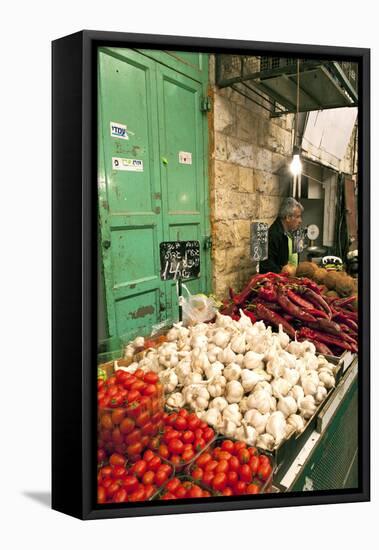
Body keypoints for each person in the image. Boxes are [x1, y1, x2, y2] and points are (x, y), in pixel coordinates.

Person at [260, 197, 304, 274]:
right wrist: (283, 272)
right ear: (288, 217)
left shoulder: (290, 232)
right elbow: (266, 265)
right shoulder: (273, 235)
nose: (300, 221)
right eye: (297, 217)